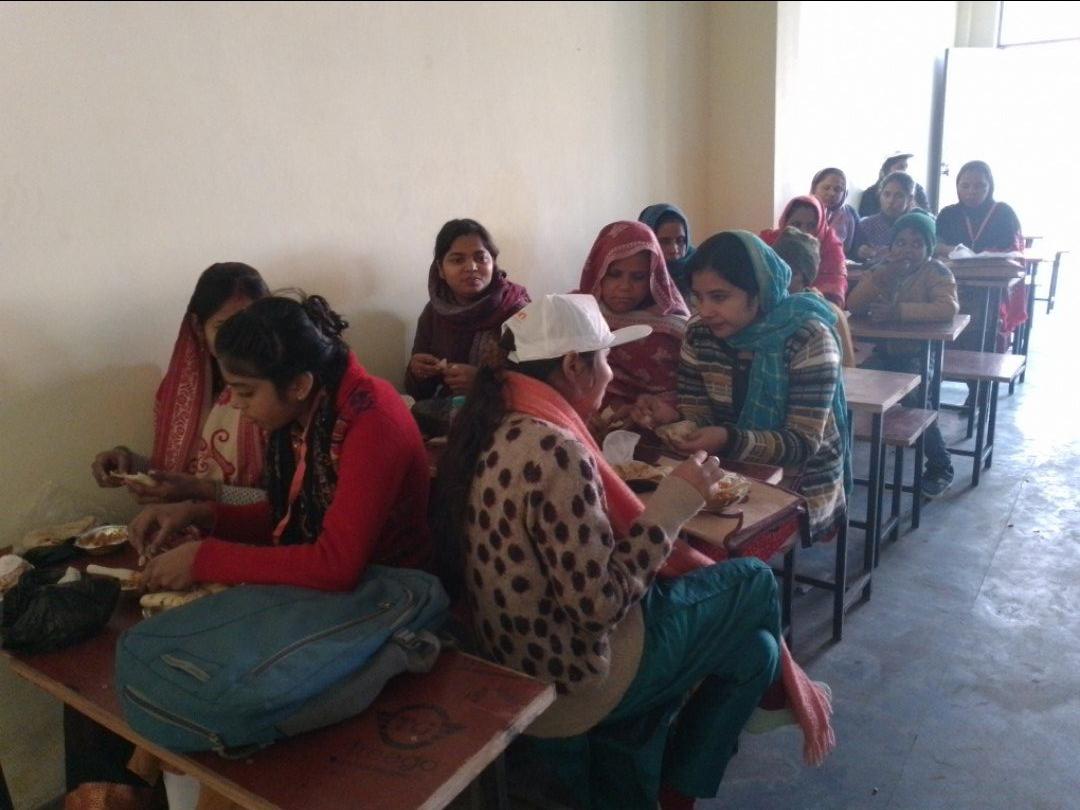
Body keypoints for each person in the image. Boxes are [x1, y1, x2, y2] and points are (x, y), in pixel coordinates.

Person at [433, 293, 833, 810]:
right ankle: (773, 700)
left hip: (516, 656)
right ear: (573, 366)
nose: (610, 372)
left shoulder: (496, 419)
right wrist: (672, 508)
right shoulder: (555, 449)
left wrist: (596, 430)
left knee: (756, 651)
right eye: (605, 359)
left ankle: (679, 788)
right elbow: (597, 606)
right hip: (575, 677)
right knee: (754, 580)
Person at [128, 293, 431, 593]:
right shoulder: (311, 413)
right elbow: (287, 518)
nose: (236, 404)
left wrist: (204, 559)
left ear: (299, 385)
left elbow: (336, 565)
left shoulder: (371, 420)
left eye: (246, 392)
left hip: (391, 592)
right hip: (346, 586)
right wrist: (197, 514)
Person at [632, 232, 850, 545]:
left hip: (801, 483)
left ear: (759, 292)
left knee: (699, 545)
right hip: (726, 471)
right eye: (698, 297)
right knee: (661, 528)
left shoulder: (808, 338)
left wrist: (726, 439)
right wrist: (674, 420)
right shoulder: (699, 334)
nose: (705, 310)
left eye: (719, 297)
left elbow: (802, 444)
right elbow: (699, 414)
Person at [90, 263, 269, 503]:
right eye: (225, 327)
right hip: (183, 521)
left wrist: (206, 492)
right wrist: (128, 464)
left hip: (251, 527)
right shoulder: (179, 395)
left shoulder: (277, 394)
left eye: (250, 326)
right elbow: (179, 474)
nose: (240, 340)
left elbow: (289, 505)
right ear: (198, 327)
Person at [846, 211, 959, 497]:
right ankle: (840, 461)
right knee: (850, 390)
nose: (907, 250)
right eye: (901, 243)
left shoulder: (937, 272)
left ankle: (940, 465)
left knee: (917, 401)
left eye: (917, 244)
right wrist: (881, 277)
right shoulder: (882, 268)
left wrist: (899, 312)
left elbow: (947, 308)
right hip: (883, 351)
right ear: (891, 245)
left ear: (929, 248)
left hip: (918, 353)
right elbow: (854, 305)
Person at [406, 218, 530, 400]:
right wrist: (417, 372)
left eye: (480, 258)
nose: (471, 267)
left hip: (506, 412)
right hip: (447, 411)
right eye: (457, 260)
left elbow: (537, 385)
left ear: (493, 262)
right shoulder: (434, 312)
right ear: (441, 270)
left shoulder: (517, 311)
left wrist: (483, 382)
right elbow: (419, 394)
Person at [575, 220, 689, 414]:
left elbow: (691, 393)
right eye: (615, 274)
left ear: (653, 277)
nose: (625, 287)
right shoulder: (576, 314)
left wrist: (656, 409)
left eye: (638, 277)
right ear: (598, 271)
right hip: (590, 420)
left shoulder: (673, 327)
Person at [936, 160, 1026, 353]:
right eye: (965, 186)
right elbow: (934, 245)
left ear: (990, 186)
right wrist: (950, 249)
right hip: (952, 284)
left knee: (983, 333)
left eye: (979, 186)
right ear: (957, 186)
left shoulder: (1004, 213)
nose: (971, 191)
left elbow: (1014, 250)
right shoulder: (948, 214)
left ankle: (983, 364)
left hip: (992, 288)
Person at [773, 227, 856, 367]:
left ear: (803, 276)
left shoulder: (830, 313)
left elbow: (848, 366)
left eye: (790, 272)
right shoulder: (767, 309)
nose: (778, 277)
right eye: (774, 269)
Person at [760, 195, 848, 306]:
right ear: (785, 224)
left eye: (811, 226)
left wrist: (815, 299)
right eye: (796, 224)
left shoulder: (831, 249)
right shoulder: (769, 243)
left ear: (820, 226)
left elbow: (835, 299)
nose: (804, 231)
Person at [851, 171, 918, 264]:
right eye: (886, 194)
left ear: (910, 199)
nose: (891, 201)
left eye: (898, 196)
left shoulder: (917, 226)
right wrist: (860, 252)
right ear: (880, 195)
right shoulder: (866, 225)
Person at [639, 203, 696, 300]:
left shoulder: (699, 269)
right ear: (648, 241)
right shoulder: (637, 274)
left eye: (680, 240)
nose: (674, 249)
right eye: (664, 242)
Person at [858, 152, 930, 217]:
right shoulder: (870, 194)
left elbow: (927, 217)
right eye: (901, 167)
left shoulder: (918, 190)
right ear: (886, 170)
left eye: (906, 167)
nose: (905, 171)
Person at [811, 167, 859, 255]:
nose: (832, 193)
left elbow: (852, 250)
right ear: (814, 188)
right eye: (826, 188)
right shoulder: (802, 210)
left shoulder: (849, 215)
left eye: (838, 189)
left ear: (845, 194)